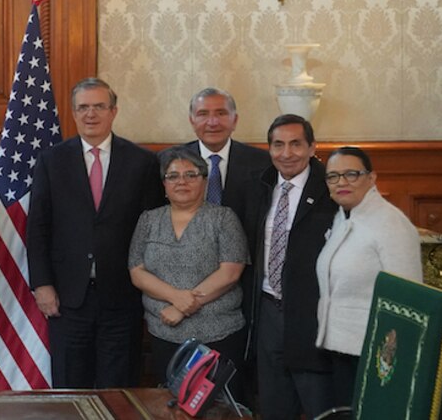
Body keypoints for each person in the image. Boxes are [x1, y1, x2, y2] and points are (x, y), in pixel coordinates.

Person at [27, 77, 163, 388]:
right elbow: (38, 228)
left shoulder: (141, 162)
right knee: (70, 386)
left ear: (113, 112)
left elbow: (153, 229)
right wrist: (42, 285)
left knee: (118, 387)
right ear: (74, 113)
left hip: (123, 296)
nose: (91, 114)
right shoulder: (52, 160)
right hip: (67, 297)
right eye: (83, 107)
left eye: (99, 106)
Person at [128, 146, 248, 397]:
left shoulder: (223, 218)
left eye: (191, 175)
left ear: (204, 181)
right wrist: (176, 298)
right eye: (173, 176)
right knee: (170, 406)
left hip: (218, 335)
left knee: (218, 409)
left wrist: (183, 306)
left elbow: (230, 272)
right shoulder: (148, 220)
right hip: (164, 334)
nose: (181, 181)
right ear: (164, 184)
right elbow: (137, 271)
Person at [243, 114, 336, 419]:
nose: (287, 153)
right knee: (274, 407)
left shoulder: (332, 191)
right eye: (278, 144)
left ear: (312, 148)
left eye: (296, 144)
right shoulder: (259, 185)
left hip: (313, 316)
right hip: (268, 311)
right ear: (268, 149)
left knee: (319, 406)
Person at [315, 146, 423, 407]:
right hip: (341, 345)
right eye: (333, 176)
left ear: (371, 178)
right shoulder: (343, 216)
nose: (341, 182)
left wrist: (389, 356)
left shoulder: (391, 224)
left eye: (351, 174)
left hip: (375, 352)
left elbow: (408, 297)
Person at [185, 87, 271, 221]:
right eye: (203, 114)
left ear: (235, 120)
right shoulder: (172, 161)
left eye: (221, 113)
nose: (213, 122)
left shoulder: (262, 162)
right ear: (192, 122)